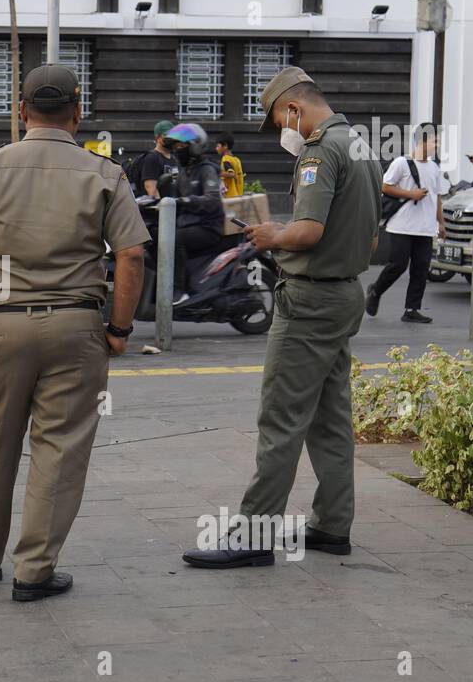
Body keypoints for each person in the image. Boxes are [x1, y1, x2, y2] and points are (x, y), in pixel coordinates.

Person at [0, 64, 149, 601]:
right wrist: (119, 328)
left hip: (2, 326)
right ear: (77, 113)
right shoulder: (105, 173)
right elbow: (131, 254)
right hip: (77, 327)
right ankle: (33, 571)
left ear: (21, 112)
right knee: (59, 448)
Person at [182, 67, 381, 569]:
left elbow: (310, 230)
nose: (281, 132)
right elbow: (368, 236)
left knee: (281, 419)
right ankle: (333, 525)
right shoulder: (360, 145)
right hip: (344, 295)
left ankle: (253, 535)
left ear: (294, 109)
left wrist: (273, 235)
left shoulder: (319, 151)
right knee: (330, 419)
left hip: (310, 301)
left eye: (278, 121)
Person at [366, 124, 446, 323]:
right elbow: (385, 186)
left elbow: (437, 198)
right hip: (402, 225)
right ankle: (376, 290)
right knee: (398, 265)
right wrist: (411, 194)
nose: (438, 144)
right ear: (422, 141)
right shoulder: (402, 163)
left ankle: (411, 309)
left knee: (420, 269)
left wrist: (441, 223)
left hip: (425, 228)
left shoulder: (434, 168)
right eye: (435, 140)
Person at [164, 123, 224, 303]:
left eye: (181, 146)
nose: (177, 150)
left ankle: (179, 290)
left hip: (208, 226)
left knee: (175, 239)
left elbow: (213, 199)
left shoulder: (207, 170)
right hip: (189, 223)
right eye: (174, 146)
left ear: (195, 146)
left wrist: (187, 201)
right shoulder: (184, 172)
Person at [137, 120, 178, 198]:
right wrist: (162, 208)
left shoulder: (174, 159)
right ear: (158, 138)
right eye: (168, 136)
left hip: (173, 206)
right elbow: (151, 189)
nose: (172, 139)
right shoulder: (152, 158)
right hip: (162, 208)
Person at [215, 132, 245, 197]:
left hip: (230, 196)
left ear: (225, 146)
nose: (216, 149)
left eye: (218, 146)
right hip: (239, 194)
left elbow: (232, 174)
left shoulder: (226, 159)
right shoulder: (237, 160)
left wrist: (218, 173)